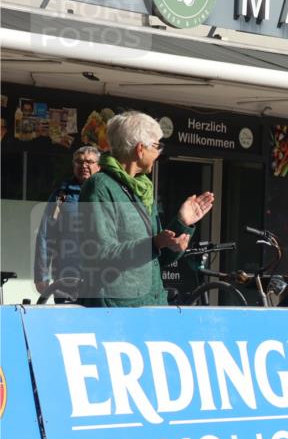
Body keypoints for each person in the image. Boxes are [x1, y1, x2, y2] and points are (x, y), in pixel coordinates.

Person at [79, 111, 214, 307]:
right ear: (140, 149)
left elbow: (158, 256)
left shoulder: (141, 188)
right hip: (117, 312)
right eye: (157, 146)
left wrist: (182, 224)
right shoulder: (100, 186)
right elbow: (98, 256)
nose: (159, 153)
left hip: (149, 306)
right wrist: (153, 244)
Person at [33, 145, 101, 296]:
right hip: (66, 278)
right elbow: (45, 235)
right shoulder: (61, 196)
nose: (84, 165)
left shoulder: (107, 195)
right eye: (79, 161)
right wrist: (41, 276)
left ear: (99, 166)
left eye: (89, 162)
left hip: (101, 280)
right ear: (73, 165)